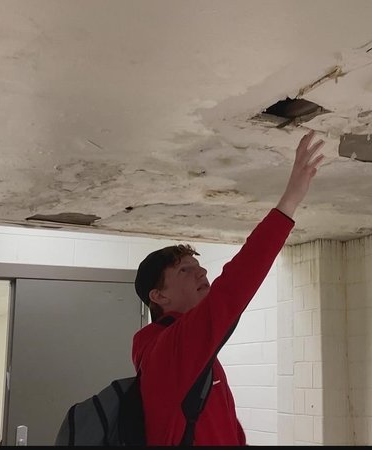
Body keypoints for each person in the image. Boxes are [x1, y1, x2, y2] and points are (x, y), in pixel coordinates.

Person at [131, 130, 324, 445]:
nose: (201, 271)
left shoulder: (196, 353)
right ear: (159, 296)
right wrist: (290, 200)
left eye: (197, 265)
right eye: (184, 270)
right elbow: (233, 287)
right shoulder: (166, 353)